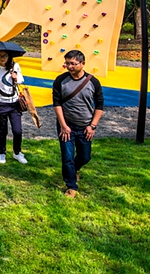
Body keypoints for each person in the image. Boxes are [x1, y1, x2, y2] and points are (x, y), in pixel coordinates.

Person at [52, 49, 104, 198]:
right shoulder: (60, 80)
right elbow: (57, 104)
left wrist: (92, 126)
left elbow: (99, 105)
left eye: (73, 64)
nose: (69, 66)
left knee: (85, 156)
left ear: (83, 64)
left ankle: (75, 169)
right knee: (67, 157)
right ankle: (71, 186)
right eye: (67, 63)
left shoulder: (93, 82)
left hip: (85, 126)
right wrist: (63, 126)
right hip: (66, 125)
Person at [0, 51, 27, 164]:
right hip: (0, 103)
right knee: (2, 129)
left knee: (17, 130)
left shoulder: (15, 66)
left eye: (4, 55)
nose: (2, 58)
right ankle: (2, 152)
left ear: (9, 56)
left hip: (14, 103)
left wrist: (16, 78)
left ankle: (17, 152)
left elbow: (21, 80)